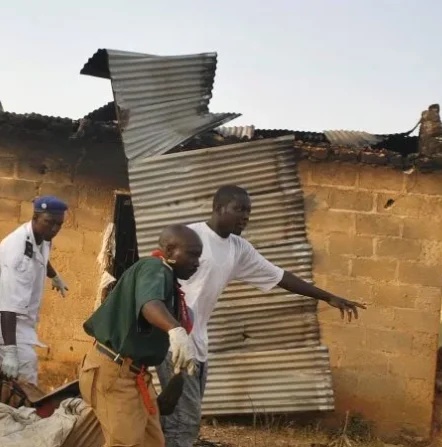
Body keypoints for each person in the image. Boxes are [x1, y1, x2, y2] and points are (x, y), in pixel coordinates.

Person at [156, 185, 367, 447]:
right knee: (184, 422)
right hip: (175, 342)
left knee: (177, 418)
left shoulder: (238, 248)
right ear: (218, 208)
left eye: (249, 211)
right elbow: (155, 282)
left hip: (198, 344)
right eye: (239, 209)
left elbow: (279, 276)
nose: (246, 216)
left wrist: (328, 296)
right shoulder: (191, 237)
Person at [80, 224, 202, 446]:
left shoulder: (168, 281)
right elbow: (149, 304)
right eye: (192, 254)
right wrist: (175, 330)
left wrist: (177, 379)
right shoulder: (154, 268)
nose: (197, 262)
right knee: (127, 443)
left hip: (134, 375)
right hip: (114, 372)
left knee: (152, 441)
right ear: (170, 251)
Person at [0, 195, 69, 385]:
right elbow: (8, 305)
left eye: (59, 224)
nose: (55, 229)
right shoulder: (17, 252)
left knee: (1, 373)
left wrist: (54, 275)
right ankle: (27, 412)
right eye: (50, 223)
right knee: (24, 362)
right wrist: (11, 352)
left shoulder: (42, 236)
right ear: (35, 217)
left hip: (9, 311)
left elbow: (41, 255)